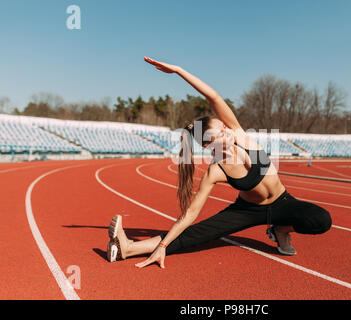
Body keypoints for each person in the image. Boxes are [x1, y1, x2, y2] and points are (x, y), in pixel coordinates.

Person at [106, 57, 332, 268]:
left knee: (321, 220)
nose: (227, 133)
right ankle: (128, 248)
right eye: (220, 135)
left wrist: (179, 71)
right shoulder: (216, 171)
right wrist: (163, 245)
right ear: (208, 146)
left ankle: (281, 229)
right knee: (197, 234)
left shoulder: (240, 134)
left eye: (224, 128)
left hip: (282, 201)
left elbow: (213, 97)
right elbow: (189, 215)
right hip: (248, 210)